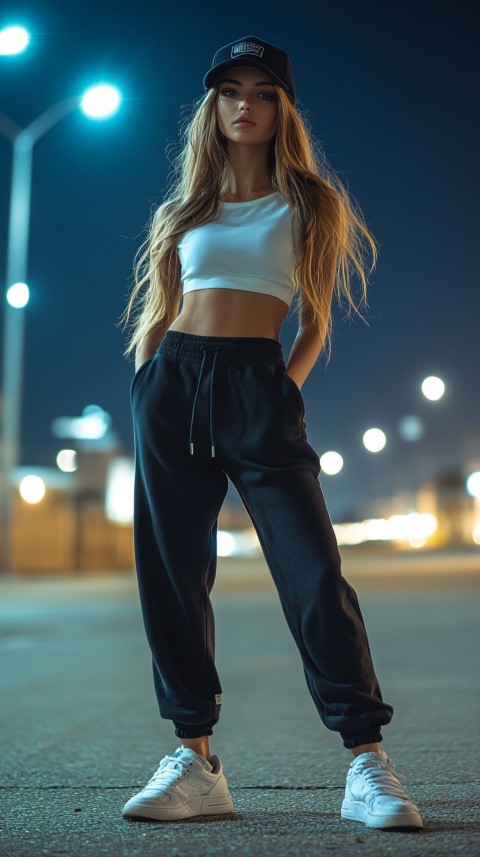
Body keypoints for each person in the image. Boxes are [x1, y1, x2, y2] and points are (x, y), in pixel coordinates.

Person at [120, 35, 423, 830]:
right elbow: (161, 310)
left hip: (259, 385)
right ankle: (195, 757)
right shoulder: (184, 210)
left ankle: (367, 761)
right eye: (230, 92)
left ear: (282, 106)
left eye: (261, 91)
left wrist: (278, 394)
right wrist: (151, 379)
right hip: (174, 384)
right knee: (174, 576)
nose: (244, 104)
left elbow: (315, 318)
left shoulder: (311, 203)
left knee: (315, 573)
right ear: (212, 109)